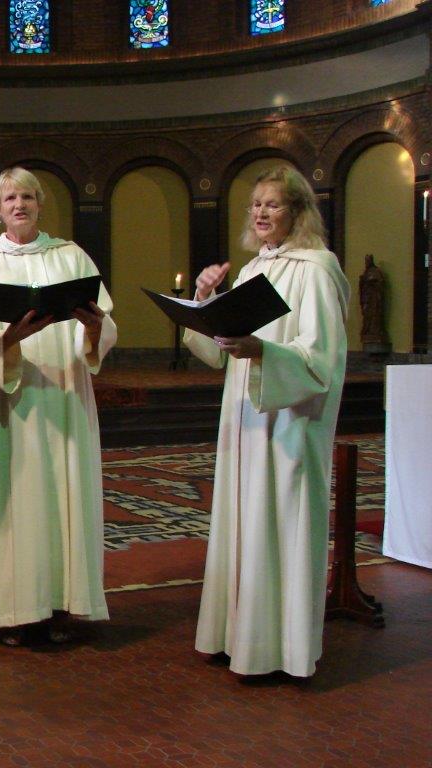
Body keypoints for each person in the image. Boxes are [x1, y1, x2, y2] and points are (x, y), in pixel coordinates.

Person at [186, 166, 348, 678]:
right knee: (242, 524)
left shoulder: (317, 268)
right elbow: (217, 352)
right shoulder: (256, 269)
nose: (259, 213)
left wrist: (262, 352)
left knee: (280, 525)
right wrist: (204, 301)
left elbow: (321, 359)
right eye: (254, 204)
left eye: (271, 204)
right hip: (244, 419)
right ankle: (239, 636)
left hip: (289, 421)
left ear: (296, 211)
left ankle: (282, 651)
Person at [0, 167, 116, 648]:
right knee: (17, 498)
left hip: (65, 397)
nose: (19, 204)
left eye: (27, 196)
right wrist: (7, 338)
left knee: (64, 495)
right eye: (9, 198)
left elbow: (106, 326)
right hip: (14, 399)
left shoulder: (71, 256)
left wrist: (93, 328)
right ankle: (11, 612)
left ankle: (62, 604)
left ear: (40, 204)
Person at [358, 253, 386, 345]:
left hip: (374, 299)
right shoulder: (366, 272)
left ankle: (375, 332)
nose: (366, 263)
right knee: (367, 316)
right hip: (367, 298)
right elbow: (362, 286)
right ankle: (368, 332)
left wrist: (372, 283)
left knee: (374, 315)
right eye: (366, 261)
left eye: (368, 261)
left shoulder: (376, 271)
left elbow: (380, 283)